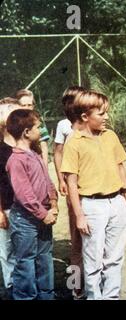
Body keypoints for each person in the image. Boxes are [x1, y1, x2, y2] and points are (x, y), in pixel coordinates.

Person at [61, 90, 126, 300]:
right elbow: (71, 184)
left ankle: (112, 297)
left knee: (115, 258)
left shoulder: (110, 136)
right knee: (92, 261)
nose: (107, 117)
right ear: (85, 116)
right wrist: (80, 215)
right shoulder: (73, 143)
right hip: (92, 207)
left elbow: (121, 168)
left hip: (117, 202)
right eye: (101, 114)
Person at [6, 109, 58, 300]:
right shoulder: (16, 160)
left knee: (45, 259)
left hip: (43, 216)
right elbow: (24, 195)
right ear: (27, 132)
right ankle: (25, 297)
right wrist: (43, 214)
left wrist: (53, 202)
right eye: (38, 126)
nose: (41, 130)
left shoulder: (35, 155)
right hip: (26, 220)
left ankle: (47, 296)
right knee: (26, 263)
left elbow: (47, 180)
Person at [53, 85, 86, 299]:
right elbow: (57, 153)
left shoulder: (91, 123)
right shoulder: (64, 126)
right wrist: (60, 178)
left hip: (93, 186)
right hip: (73, 185)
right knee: (76, 239)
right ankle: (76, 286)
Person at [0, 98, 21, 299]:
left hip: (26, 208)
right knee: (7, 251)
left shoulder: (26, 146)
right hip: (6, 207)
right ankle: (11, 287)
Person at [15, 89, 51, 167]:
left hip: (35, 160)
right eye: (23, 105)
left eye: (29, 105)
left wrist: (45, 167)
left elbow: (43, 146)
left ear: (33, 106)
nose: (26, 108)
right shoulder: (13, 122)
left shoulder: (38, 121)